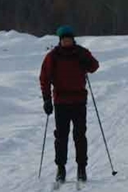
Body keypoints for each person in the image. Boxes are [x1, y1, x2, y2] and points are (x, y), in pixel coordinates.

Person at [39, 25, 99, 182]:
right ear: (60, 40)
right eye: (64, 39)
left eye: (69, 39)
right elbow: (44, 78)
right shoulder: (53, 56)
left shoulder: (81, 53)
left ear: (73, 39)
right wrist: (46, 99)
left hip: (79, 101)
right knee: (61, 137)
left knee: (80, 135)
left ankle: (81, 168)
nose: (67, 42)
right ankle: (61, 168)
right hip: (61, 102)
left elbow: (94, 67)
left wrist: (86, 60)